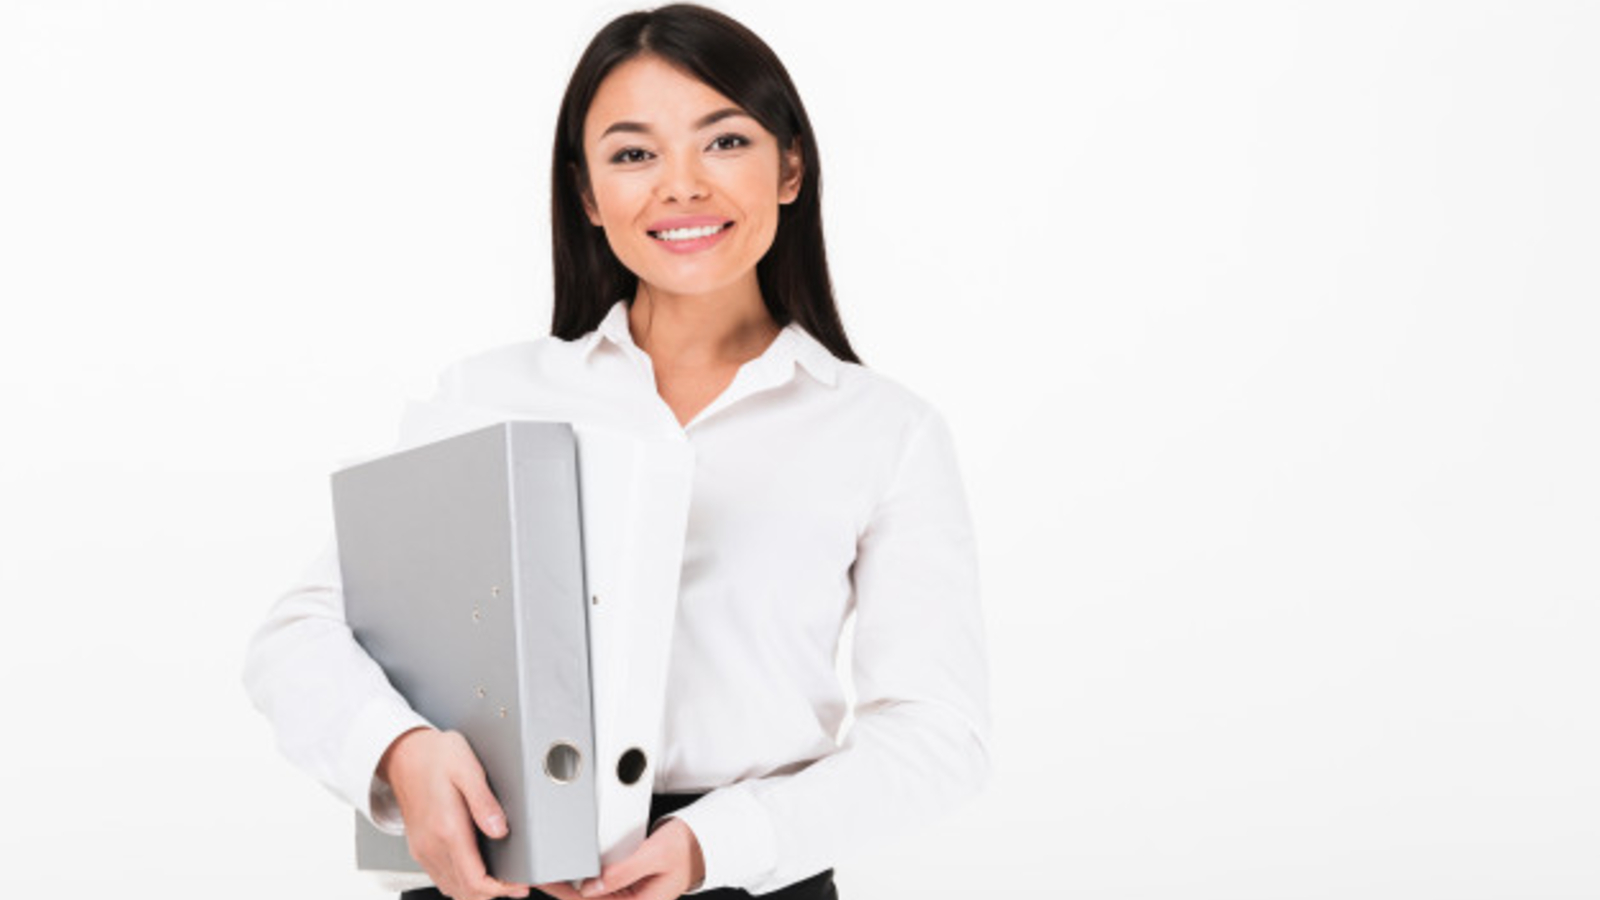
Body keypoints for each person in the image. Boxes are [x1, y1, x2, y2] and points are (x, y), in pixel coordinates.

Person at [243, 6, 990, 900]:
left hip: (747, 879)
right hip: (500, 874)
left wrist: (719, 843)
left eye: (724, 142)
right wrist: (398, 752)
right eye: (634, 154)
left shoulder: (883, 430)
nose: (681, 186)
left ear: (790, 166)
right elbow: (300, 637)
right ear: (589, 196)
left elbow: (938, 735)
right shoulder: (489, 396)